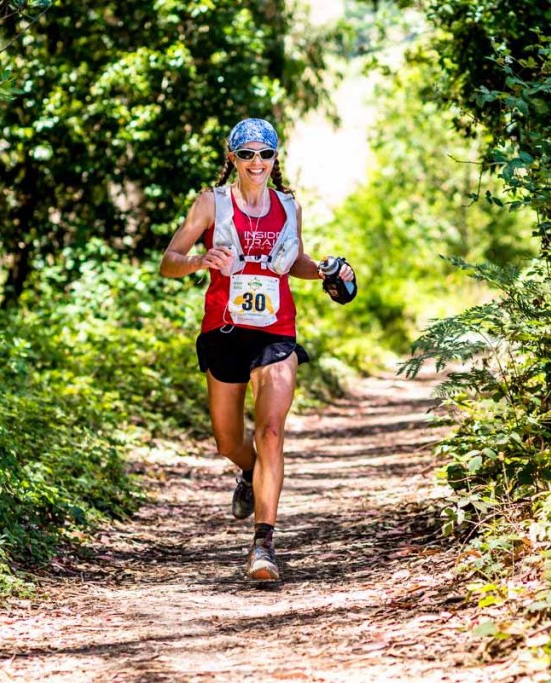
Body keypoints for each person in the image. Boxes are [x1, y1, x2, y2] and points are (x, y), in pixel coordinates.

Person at [159, 118, 355, 581]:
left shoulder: (289, 206)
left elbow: (295, 263)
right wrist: (198, 260)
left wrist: (327, 270)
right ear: (232, 158)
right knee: (229, 441)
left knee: (270, 433)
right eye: (246, 154)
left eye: (265, 154)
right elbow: (169, 262)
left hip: (275, 331)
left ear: (275, 159)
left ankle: (263, 545)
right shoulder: (212, 202)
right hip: (225, 330)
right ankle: (250, 472)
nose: (256, 163)